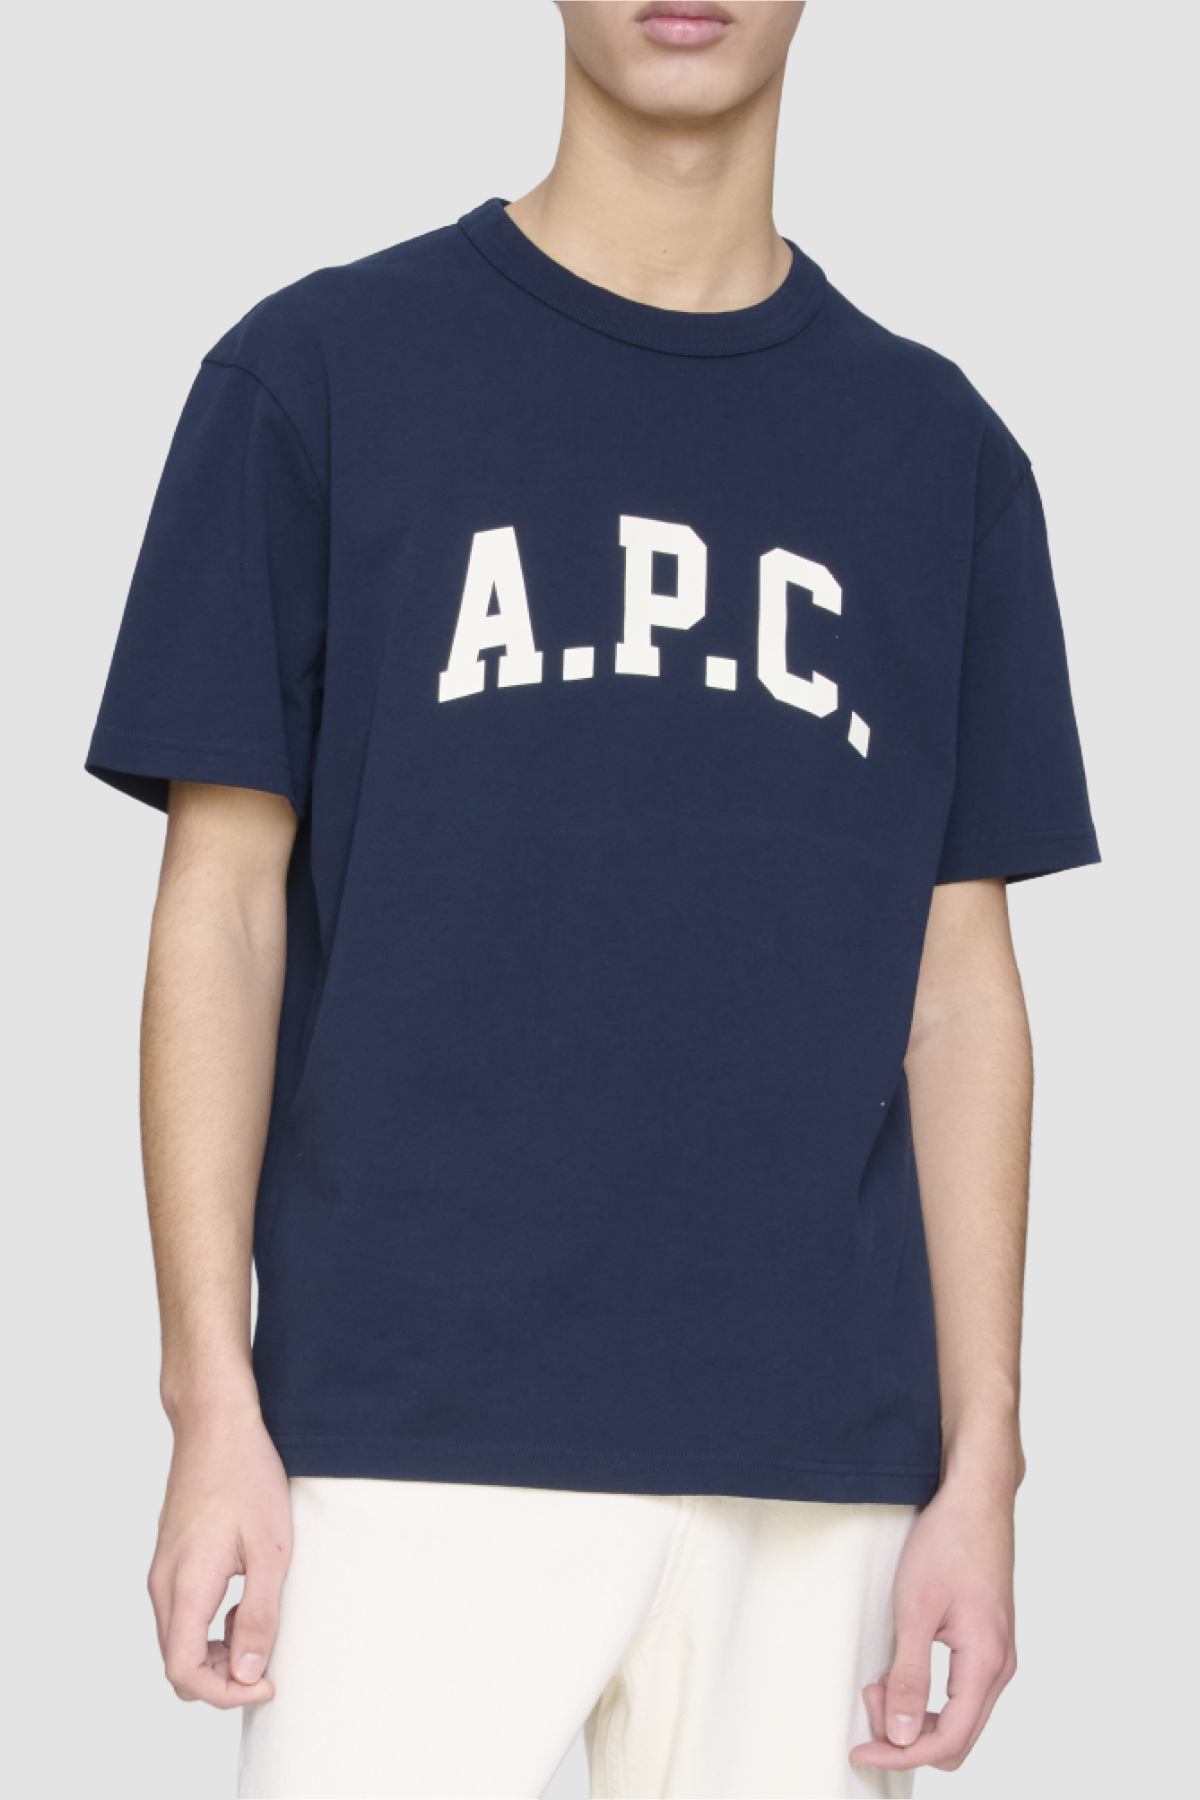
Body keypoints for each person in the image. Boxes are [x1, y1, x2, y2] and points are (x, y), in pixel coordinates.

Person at [87, 4, 1099, 1795]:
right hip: (403, 1439)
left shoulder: (941, 456)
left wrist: (984, 1466)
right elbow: (219, 913)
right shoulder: (317, 379)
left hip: (817, 1472)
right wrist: (208, 1401)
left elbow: (959, 990)